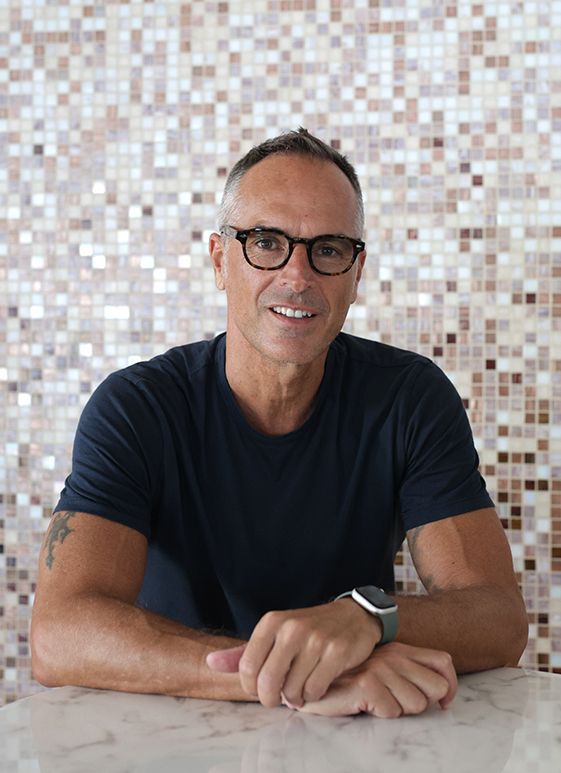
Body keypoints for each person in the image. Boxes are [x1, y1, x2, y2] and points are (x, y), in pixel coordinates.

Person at [31, 128, 528, 719]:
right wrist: (295, 678)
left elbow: (497, 618)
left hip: (355, 736)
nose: (298, 275)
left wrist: (369, 616)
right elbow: (59, 633)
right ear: (220, 259)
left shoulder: (409, 398)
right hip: (171, 730)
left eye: (329, 248)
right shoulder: (137, 408)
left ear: (356, 271)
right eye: (266, 242)